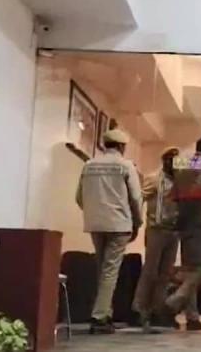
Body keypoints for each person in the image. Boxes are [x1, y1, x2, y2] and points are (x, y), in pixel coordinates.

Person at [76, 129, 143, 334]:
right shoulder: (125, 166)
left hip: (95, 223)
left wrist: (94, 212)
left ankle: (105, 312)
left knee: (102, 269)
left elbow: (79, 197)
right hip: (119, 224)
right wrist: (137, 222)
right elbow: (136, 197)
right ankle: (100, 317)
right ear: (122, 146)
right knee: (110, 270)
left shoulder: (89, 165)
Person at [132, 147, 201, 332]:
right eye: (170, 160)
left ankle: (158, 311)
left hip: (174, 231)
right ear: (164, 161)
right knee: (150, 271)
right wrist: (136, 221)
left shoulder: (180, 182)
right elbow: (139, 199)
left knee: (165, 274)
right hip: (156, 229)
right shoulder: (154, 178)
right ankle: (138, 309)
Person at [163, 136, 201, 320]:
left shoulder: (185, 166)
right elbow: (198, 191)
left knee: (189, 268)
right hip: (199, 222)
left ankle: (192, 316)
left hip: (183, 221)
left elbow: (177, 193)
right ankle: (174, 298)